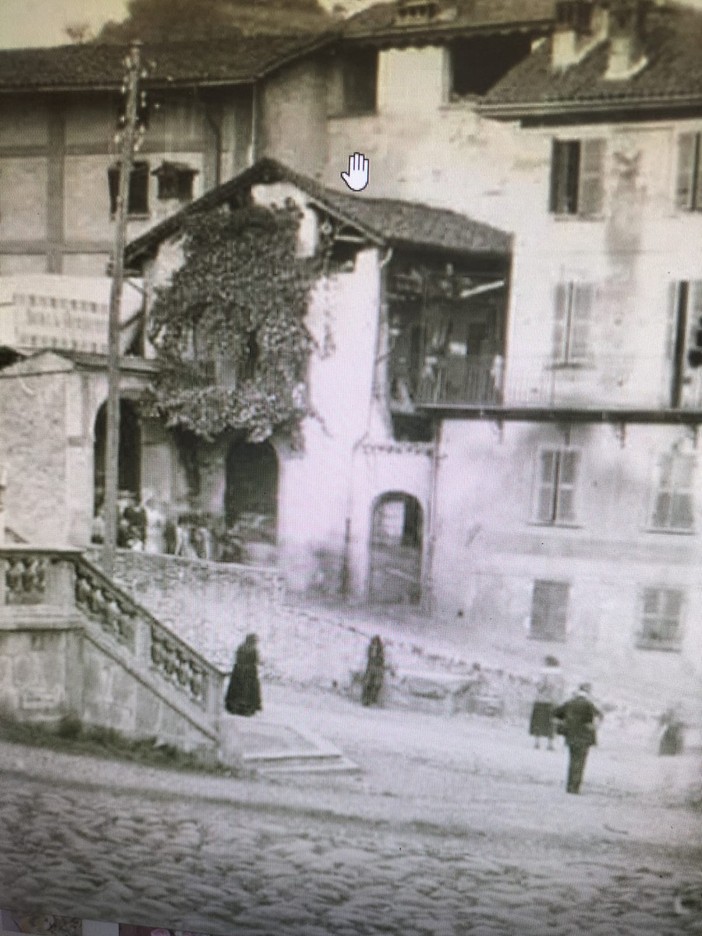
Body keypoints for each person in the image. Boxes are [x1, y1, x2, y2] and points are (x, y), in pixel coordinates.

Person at [553, 683, 603, 794]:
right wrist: (594, 726)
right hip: (584, 738)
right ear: (587, 692)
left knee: (572, 761)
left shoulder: (570, 703)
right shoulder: (589, 704)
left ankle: (569, 787)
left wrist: (563, 724)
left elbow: (555, 713)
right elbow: (600, 715)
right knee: (580, 763)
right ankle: (575, 788)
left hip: (571, 736)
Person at [529, 655, 564, 750]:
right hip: (554, 701)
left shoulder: (544, 674)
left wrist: (536, 684)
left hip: (542, 700)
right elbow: (561, 690)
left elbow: (541, 687)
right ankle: (550, 744)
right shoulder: (560, 676)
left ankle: (537, 743)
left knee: (539, 721)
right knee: (551, 723)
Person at [224, 633, 262, 716]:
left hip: (239, 671)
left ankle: (234, 707)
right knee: (247, 691)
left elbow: (238, 658)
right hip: (249, 673)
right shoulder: (253, 650)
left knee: (237, 690)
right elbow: (256, 660)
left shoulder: (241, 647)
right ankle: (246, 709)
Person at [362, 635, 386, 707]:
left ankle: (373, 699)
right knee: (367, 684)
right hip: (370, 669)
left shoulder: (380, 650)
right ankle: (366, 699)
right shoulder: (371, 648)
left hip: (377, 670)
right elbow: (369, 657)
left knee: (375, 685)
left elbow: (381, 660)